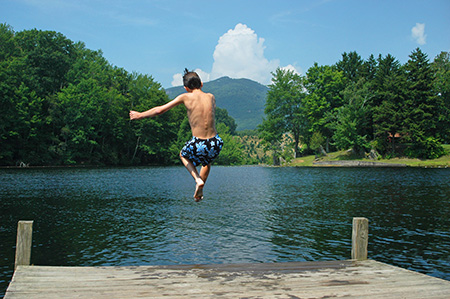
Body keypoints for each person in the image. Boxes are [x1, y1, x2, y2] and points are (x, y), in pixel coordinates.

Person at [129, 69, 223, 202]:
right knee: (206, 162)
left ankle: (197, 180)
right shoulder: (211, 96)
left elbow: (159, 110)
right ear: (201, 84)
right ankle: (200, 190)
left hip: (199, 142)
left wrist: (140, 115)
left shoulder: (185, 97)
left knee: (183, 155)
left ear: (186, 88)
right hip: (215, 142)